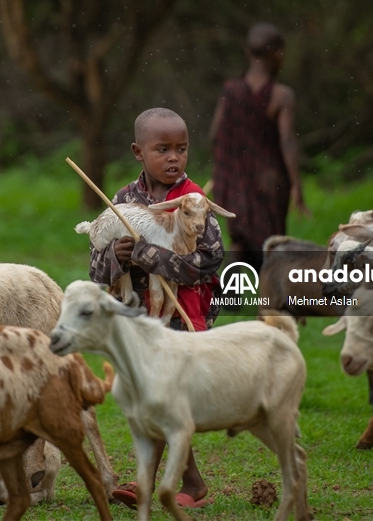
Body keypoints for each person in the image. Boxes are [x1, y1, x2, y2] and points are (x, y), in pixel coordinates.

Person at [88, 107, 223, 509]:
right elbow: (96, 269)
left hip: (183, 315)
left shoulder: (195, 200)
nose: (174, 158)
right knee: (157, 396)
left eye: (181, 149)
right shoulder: (123, 201)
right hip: (137, 316)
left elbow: (209, 263)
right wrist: (117, 254)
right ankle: (191, 482)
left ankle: (152, 483)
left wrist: (149, 255)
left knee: (162, 393)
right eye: (162, 149)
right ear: (138, 152)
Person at [209, 22, 310, 273]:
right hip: (269, 180)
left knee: (240, 237)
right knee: (270, 241)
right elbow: (287, 141)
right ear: (277, 53)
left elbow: (214, 134)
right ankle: (271, 297)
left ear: (248, 53)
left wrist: (225, 167)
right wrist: (296, 184)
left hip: (234, 177)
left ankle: (231, 291)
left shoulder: (230, 91)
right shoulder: (282, 95)